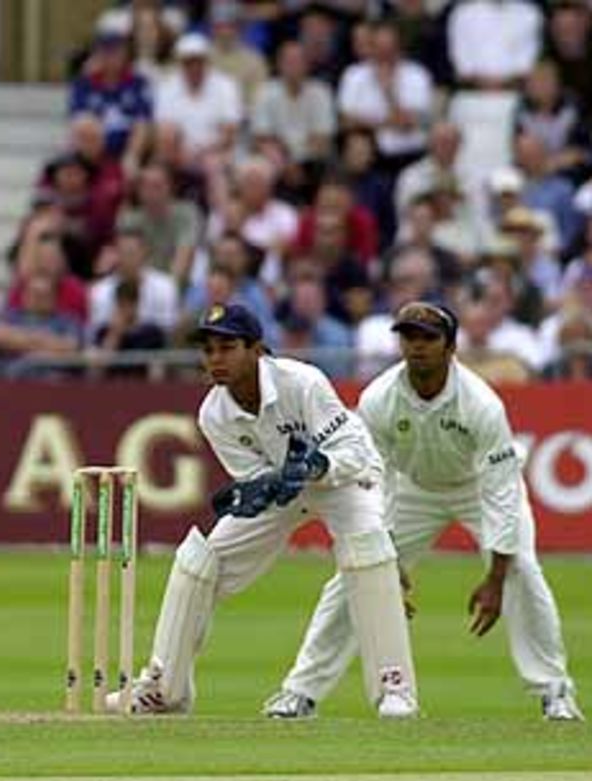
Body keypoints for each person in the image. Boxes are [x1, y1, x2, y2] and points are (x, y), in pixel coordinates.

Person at [266, 302, 583, 722]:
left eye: (428, 338)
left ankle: (555, 691)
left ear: (450, 346)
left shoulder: (481, 404)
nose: (417, 347)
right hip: (412, 490)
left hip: (478, 488)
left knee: (523, 571)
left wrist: (495, 578)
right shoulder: (379, 398)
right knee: (356, 576)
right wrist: (383, 554)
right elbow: (371, 477)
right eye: (409, 337)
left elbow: (503, 489)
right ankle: (300, 692)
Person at [110, 303, 418, 719]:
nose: (215, 359)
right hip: (286, 487)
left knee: (366, 550)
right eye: (209, 350)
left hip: (346, 480)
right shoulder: (214, 413)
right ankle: (165, 690)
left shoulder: (302, 382)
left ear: (256, 350)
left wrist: (316, 465)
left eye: (227, 347)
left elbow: (355, 451)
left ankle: (394, 688)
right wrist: (258, 490)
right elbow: (255, 475)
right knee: (201, 560)